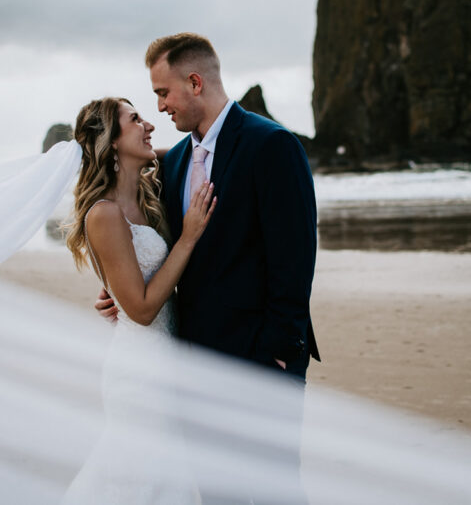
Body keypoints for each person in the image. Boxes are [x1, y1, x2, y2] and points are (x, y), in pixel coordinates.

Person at [98, 33, 319, 377]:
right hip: (189, 361)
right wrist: (120, 290)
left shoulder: (271, 145)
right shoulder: (175, 162)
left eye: (163, 92)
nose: (159, 106)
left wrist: (280, 349)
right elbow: (165, 247)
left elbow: (295, 255)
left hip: (259, 360)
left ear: (195, 83)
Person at [61, 97, 217, 505]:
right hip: (140, 376)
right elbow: (143, 310)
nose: (149, 124)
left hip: (169, 366)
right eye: (135, 120)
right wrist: (188, 236)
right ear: (112, 142)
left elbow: (197, 151)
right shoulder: (103, 214)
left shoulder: (149, 192)